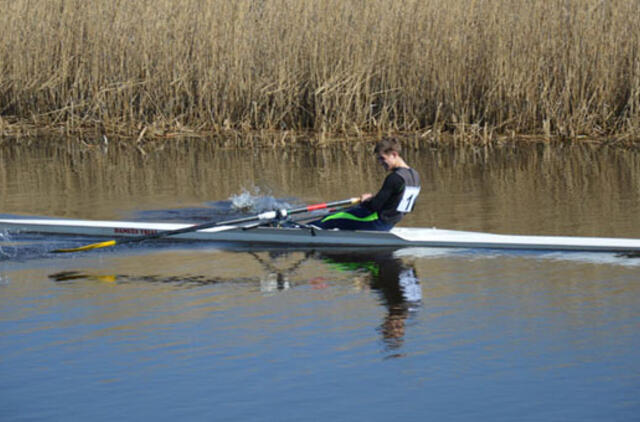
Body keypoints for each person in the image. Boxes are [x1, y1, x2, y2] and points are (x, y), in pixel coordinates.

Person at [312, 137, 421, 231]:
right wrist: (374, 199)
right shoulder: (415, 175)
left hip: (377, 222)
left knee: (331, 217)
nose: (381, 163)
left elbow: (374, 206)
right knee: (344, 213)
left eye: (383, 159)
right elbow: (408, 207)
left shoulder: (395, 178)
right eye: (379, 160)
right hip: (391, 222)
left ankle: (300, 232)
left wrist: (366, 200)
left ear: (394, 154)